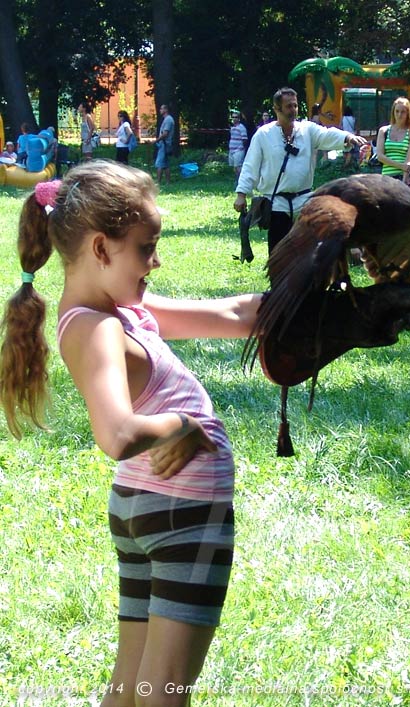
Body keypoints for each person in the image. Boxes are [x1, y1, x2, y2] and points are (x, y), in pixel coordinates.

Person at [0, 162, 262, 705]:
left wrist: (317, 291)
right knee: (162, 692)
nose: (155, 261)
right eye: (146, 248)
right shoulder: (95, 326)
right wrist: (186, 425)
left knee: (130, 688)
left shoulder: (122, 311)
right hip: (181, 511)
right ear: (101, 248)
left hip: (151, 507)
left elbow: (233, 313)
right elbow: (116, 433)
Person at [234, 87, 365, 253]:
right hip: (277, 205)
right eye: (289, 106)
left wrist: (347, 137)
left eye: (295, 105)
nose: (293, 110)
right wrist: (241, 194)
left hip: (304, 203)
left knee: (307, 254)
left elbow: (327, 135)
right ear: (277, 109)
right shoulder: (263, 135)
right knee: (278, 254)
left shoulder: (307, 129)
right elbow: (250, 166)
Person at [375, 97, 410, 183]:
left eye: (403, 112)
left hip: (405, 176)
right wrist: (400, 166)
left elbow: (408, 161)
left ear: (408, 114)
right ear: (393, 112)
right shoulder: (383, 131)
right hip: (386, 177)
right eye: (397, 111)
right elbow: (380, 156)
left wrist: (404, 180)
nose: (399, 115)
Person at [154, 104, 175, 185]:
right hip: (164, 144)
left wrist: (156, 141)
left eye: (161, 109)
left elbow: (165, 134)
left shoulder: (168, 120)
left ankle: (158, 182)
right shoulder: (167, 119)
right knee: (166, 164)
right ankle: (168, 182)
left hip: (164, 144)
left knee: (159, 164)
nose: (160, 110)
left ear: (166, 110)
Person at [228, 110, 248, 181]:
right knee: (234, 168)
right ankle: (237, 181)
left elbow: (245, 139)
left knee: (238, 167)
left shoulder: (242, 127)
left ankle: (242, 181)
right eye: (233, 117)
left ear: (239, 118)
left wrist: (241, 148)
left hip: (239, 150)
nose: (234, 119)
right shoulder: (232, 128)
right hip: (232, 150)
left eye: (236, 117)